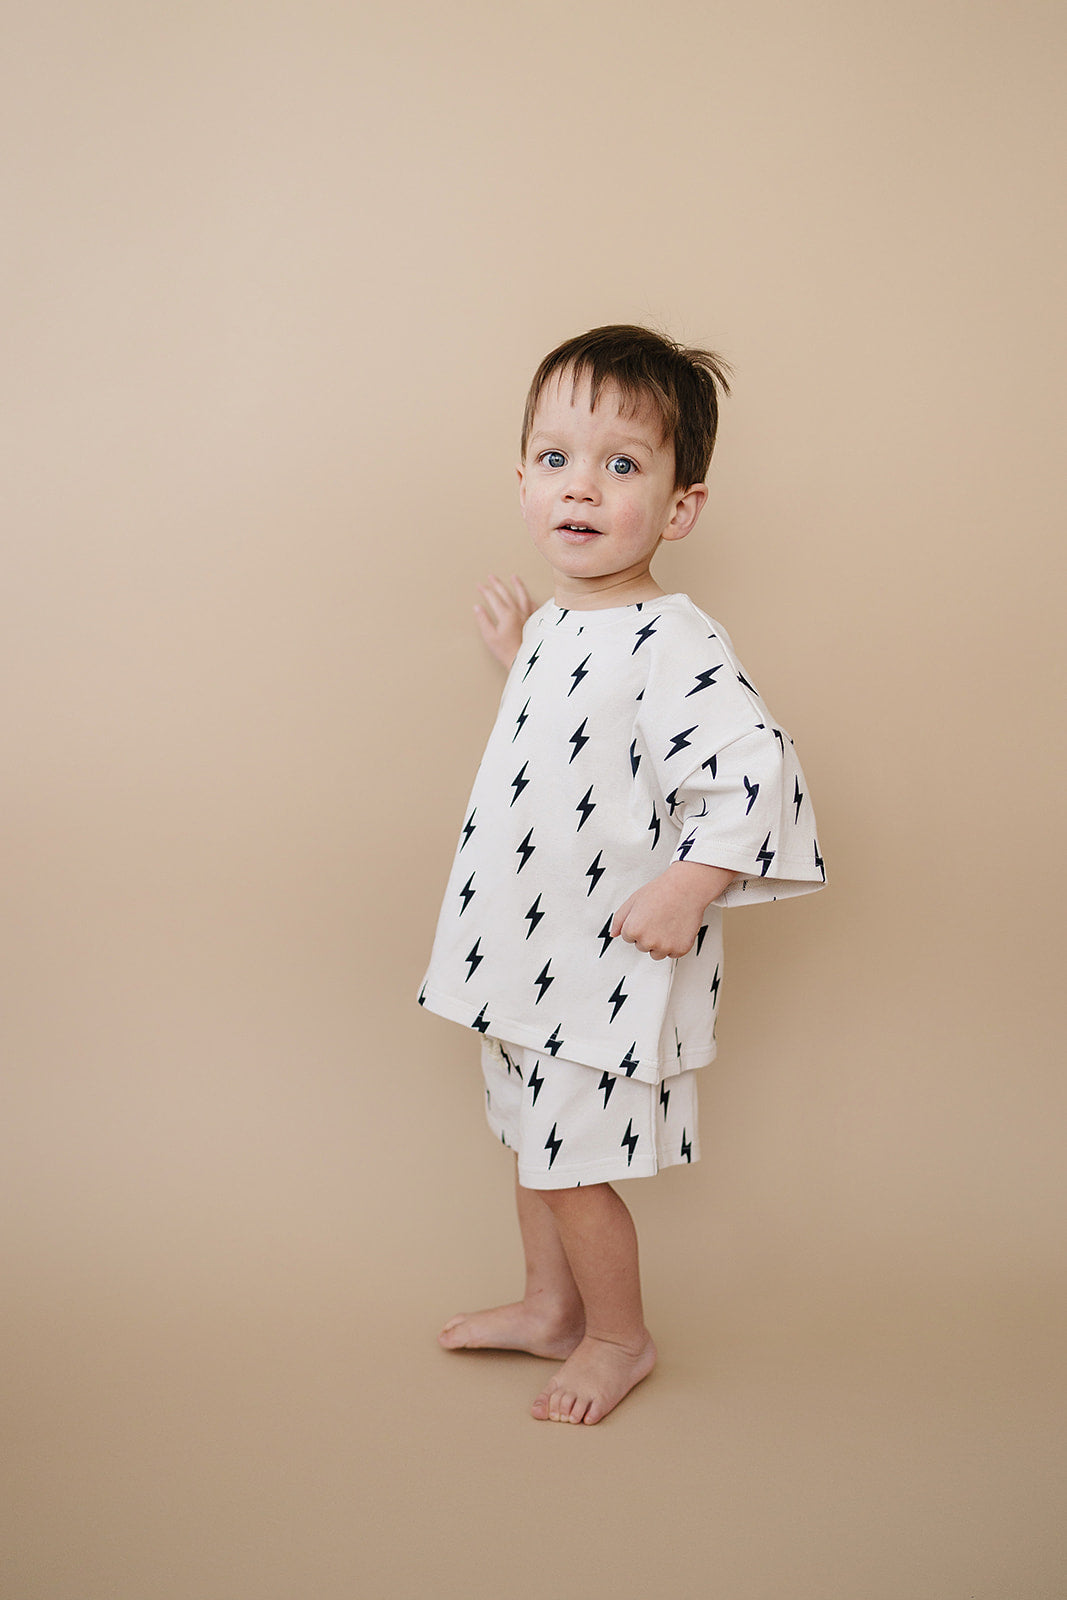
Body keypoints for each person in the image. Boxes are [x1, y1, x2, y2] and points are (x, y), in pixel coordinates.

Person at [418, 325, 826, 1425]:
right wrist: (521, 652)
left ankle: (616, 1335)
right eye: (555, 459)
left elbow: (756, 772)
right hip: (526, 944)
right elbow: (581, 720)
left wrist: (687, 888)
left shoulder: (677, 640)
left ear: (678, 508)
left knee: (568, 1163)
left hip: (600, 959)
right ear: (521, 480)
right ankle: (551, 1307)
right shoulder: (564, 623)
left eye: (621, 465)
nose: (580, 487)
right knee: (528, 1136)